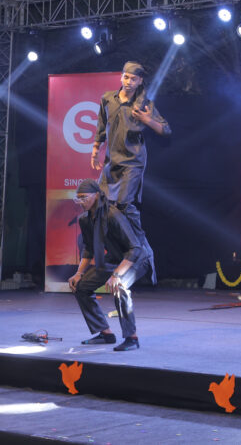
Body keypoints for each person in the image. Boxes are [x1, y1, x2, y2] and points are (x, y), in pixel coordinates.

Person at [68, 179, 156, 351]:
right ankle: (105, 333)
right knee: (81, 286)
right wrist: (79, 273)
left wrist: (116, 275)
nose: (81, 202)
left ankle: (132, 338)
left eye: (84, 197)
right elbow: (89, 248)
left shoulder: (112, 215)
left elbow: (134, 248)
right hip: (116, 257)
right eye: (78, 198)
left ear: (96, 195)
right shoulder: (85, 219)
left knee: (119, 286)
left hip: (137, 257)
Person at [91, 62, 172, 230]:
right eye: (126, 77)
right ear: (121, 77)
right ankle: (115, 241)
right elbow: (101, 125)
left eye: (133, 79)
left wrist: (147, 120)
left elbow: (166, 130)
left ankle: (136, 242)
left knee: (124, 205)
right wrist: (95, 149)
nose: (129, 82)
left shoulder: (144, 105)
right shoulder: (108, 99)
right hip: (111, 161)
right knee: (101, 203)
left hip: (133, 162)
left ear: (140, 81)